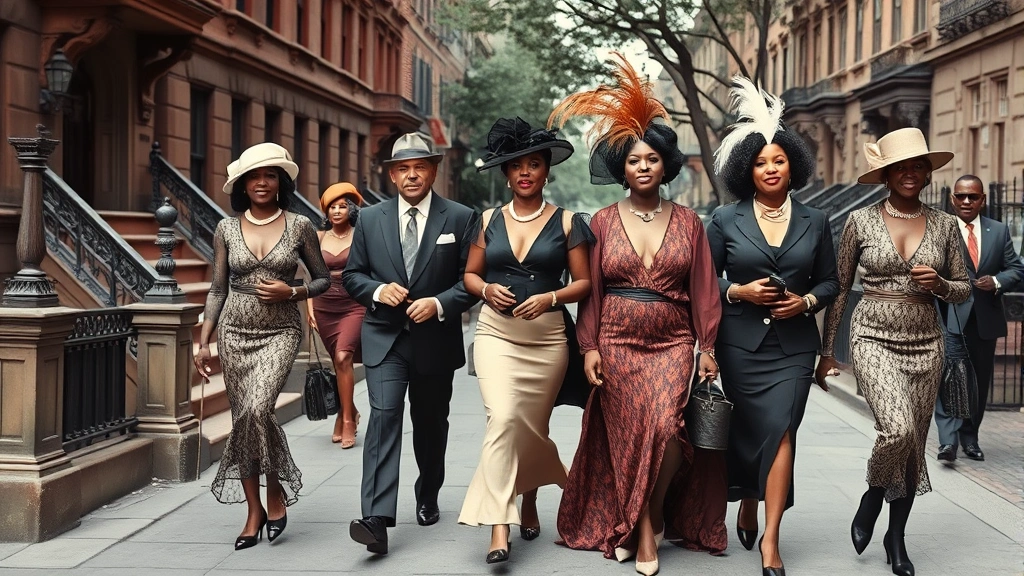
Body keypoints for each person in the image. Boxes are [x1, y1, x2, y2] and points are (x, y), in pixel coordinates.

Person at [548, 53, 724, 576]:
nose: (643, 166)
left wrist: (707, 347)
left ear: (665, 165)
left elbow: (705, 290)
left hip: (673, 341)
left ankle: (643, 518)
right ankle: (644, 530)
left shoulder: (691, 222)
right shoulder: (599, 222)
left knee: (667, 430)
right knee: (629, 435)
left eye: (651, 159)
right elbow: (590, 292)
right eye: (633, 160)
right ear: (622, 168)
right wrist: (590, 348)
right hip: (618, 340)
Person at [816, 128, 971, 576]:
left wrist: (940, 284)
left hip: (927, 342)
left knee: (914, 445)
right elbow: (841, 289)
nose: (910, 173)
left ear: (927, 173)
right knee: (897, 430)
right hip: (873, 336)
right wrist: (828, 352)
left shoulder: (944, 224)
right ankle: (871, 497)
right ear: (886, 174)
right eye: (900, 166)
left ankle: (896, 537)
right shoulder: (860, 222)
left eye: (917, 166)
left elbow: (961, 290)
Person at [706, 77, 840, 576]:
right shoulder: (724, 219)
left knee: (782, 431)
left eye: (778, 160)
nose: (770, 168)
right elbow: (704, 282)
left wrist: (805, 301)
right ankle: (746, 499)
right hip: (740, 343)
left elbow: (830, 282)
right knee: (747, 432)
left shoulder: (818, 220)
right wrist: (737, 292)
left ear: (793, 165)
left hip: (793, 349)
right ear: (748, 169)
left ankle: (771, 540)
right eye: (760, 162)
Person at [457, 117, 593, 564]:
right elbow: (470, 275)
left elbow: (584, 283)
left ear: (546, 171)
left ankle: (530, 499)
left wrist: (551, 296)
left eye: (534, 164)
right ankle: (500, 522)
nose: (526, 172)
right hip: (495, 335)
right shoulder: (488, 219)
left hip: (547, 341)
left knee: (532, 426)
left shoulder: (569, 222)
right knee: (504, 419)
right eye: (517, 166)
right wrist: (485, 289)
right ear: (506, 174)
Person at [342, 133, 478, 555]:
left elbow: (469, 283)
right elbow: (353, 276)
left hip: (435, 341)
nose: (412, 174)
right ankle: (376, 519)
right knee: (383, 419)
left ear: (434, 170)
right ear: (393, 173)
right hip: (385, 338)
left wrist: (439, 303)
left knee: (431, 425)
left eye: (420, 166)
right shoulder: (369, 218)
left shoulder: (460, 217)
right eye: (403, 168)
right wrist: (379, 292)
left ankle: (428, 490)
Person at [193, 142, 331, 550]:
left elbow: (322, 278)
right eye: (254, 176)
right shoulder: (225, 229)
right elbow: (217, 288)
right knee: (244, 419)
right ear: (243, 184)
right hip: (234, 333)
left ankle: (276, 491)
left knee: (258, 409)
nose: (262, 182)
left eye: (270, 175)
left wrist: (293, 290)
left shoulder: (300, 225)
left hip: (281, 331)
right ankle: (254, 509)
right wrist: (204, 340)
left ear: (280, 182)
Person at [933, 175, 1024, 462]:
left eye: (973, 197)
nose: (966, 201)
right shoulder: (940, 229)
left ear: (982, 200)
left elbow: (1016, 268)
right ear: (952, 199)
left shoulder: (998, 230)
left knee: (978, 382)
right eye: (961, 196)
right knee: (949, 378)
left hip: (984, 317)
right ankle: (948, 442)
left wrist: (997, 281)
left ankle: (970, 439)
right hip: (950, 316)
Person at [306, 182, 366, 449]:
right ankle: (346, 411)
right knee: (337, 364)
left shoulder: (362, 235)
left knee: (344, 357)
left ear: (351, 209)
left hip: (354, 304)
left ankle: (348, 423)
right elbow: (311, 275)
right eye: (333, 206)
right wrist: (309, 308)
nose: (338, 211)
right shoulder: (318, 238)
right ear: (326, 211)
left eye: (343, 206)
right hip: (324, 305)